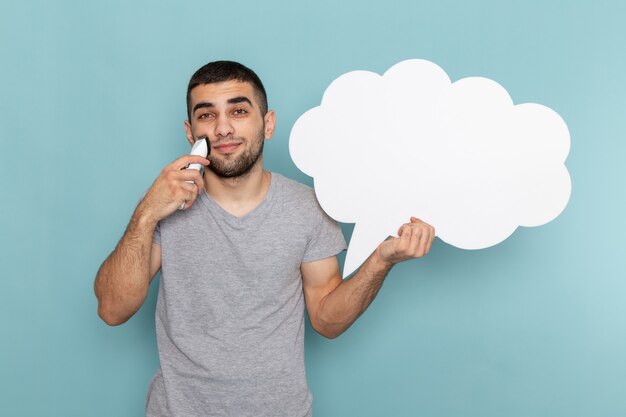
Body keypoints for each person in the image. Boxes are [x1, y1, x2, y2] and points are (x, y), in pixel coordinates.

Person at [94, 61, 435, 417]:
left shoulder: (307, 208)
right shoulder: (166, 206)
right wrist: (148, 211)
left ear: (267, 123)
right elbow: (112, 310)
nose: (223, 128)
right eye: (207, 115)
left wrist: (382, 259)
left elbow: (326, 319)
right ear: (190, 131)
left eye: (239, 111)